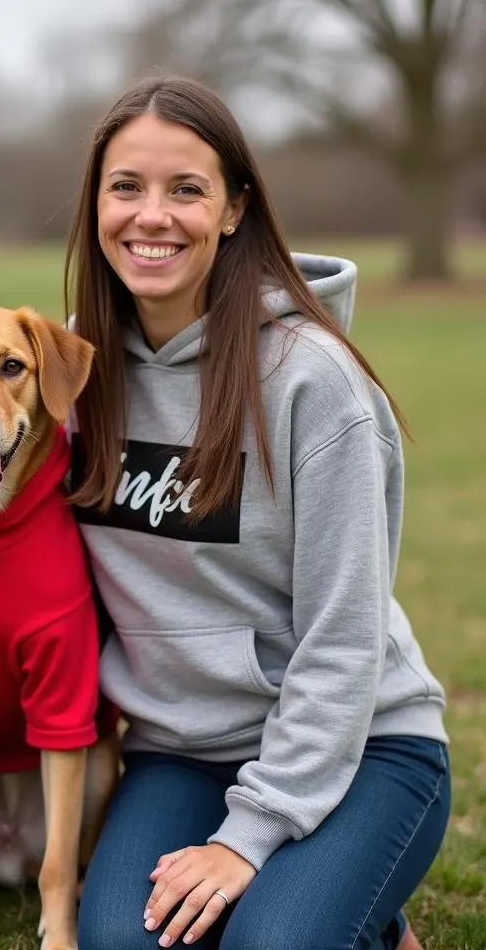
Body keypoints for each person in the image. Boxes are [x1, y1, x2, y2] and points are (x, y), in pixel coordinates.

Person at [65, 76, 450, 950]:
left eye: (186, 189)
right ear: (96, 204)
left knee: (269, 944)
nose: (150, 215)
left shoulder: (314, 384)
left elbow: (344, 641)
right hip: (180, 754)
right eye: (125, 186)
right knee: (125, 943)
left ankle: (344, 904)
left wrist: (250, 837)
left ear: (234, 209)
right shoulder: (69, 380)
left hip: (360, 751)